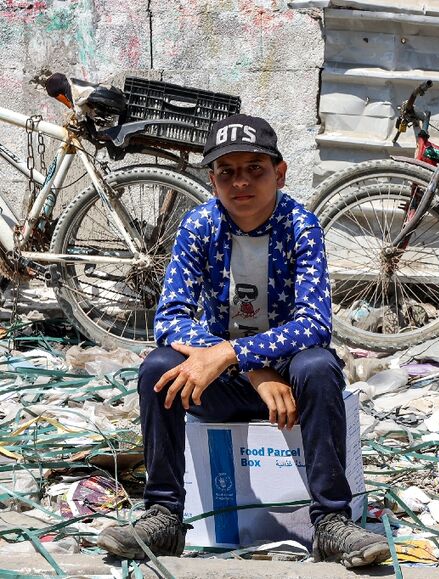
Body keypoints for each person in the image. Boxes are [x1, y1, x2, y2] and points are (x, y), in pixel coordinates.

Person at [97, 114, 391, 569]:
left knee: (317, 364)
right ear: (211, 179)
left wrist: (233, 352)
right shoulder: (200, 225)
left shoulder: (301, 226)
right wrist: (252, 371)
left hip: (293, 393)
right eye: (226, 172)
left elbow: (314, 323)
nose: (241, 183)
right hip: (227, 390)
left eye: (255, 168)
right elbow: (170, 318)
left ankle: (332, 523)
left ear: (280, 172)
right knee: (157, 366)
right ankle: (163, 516)